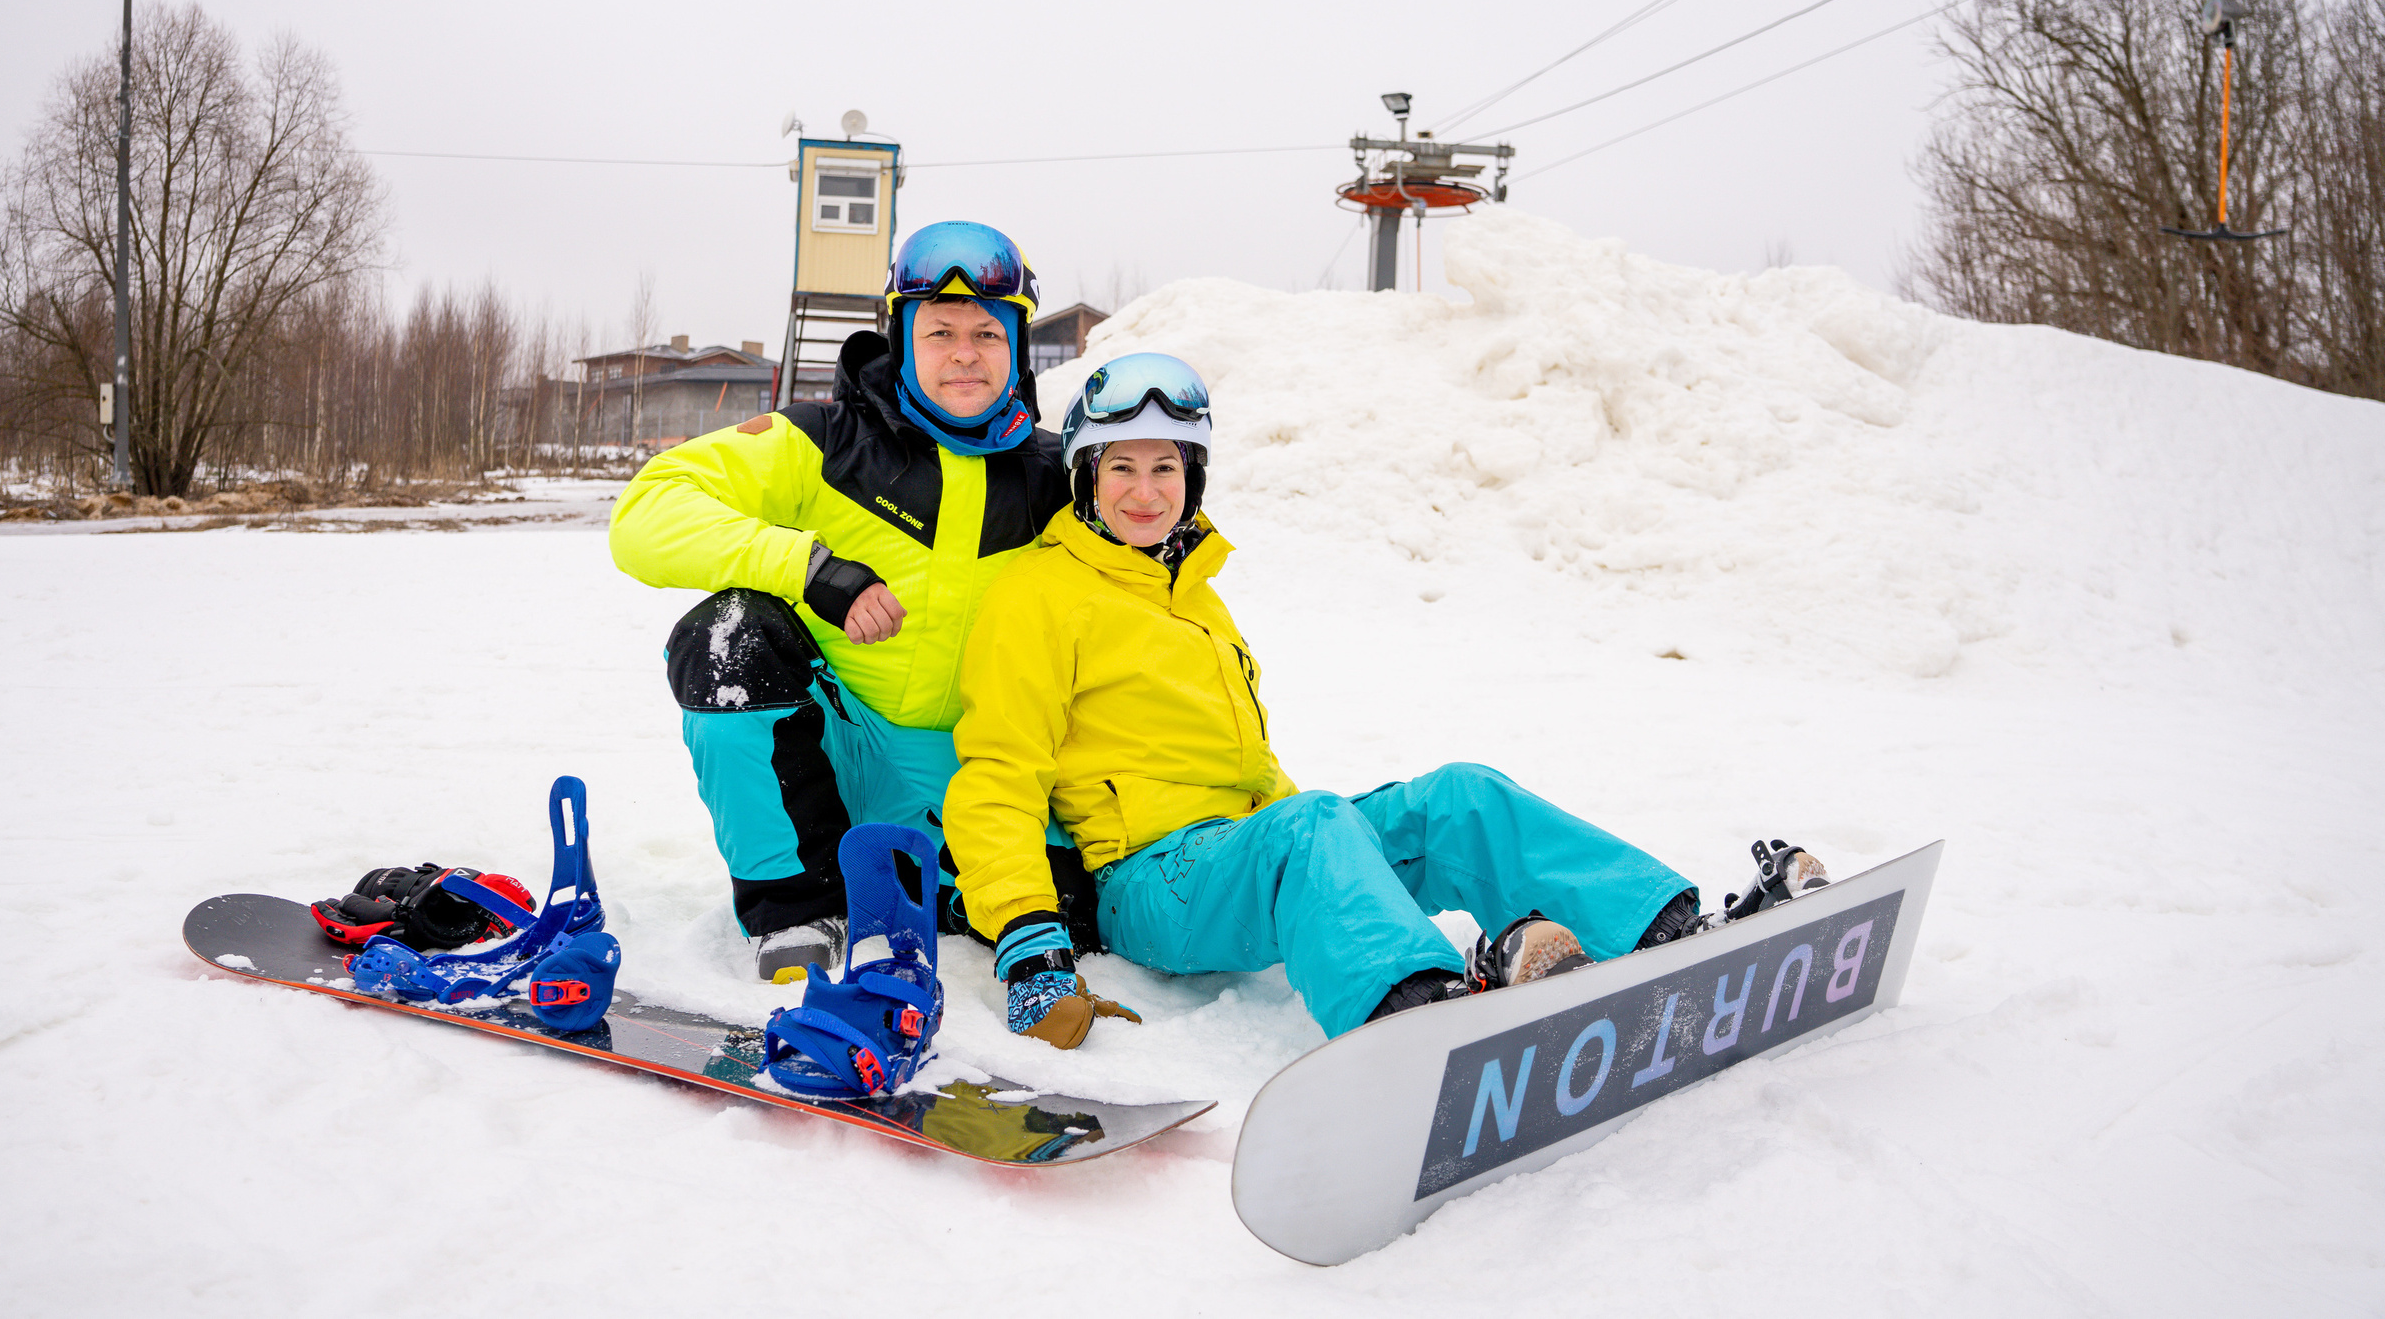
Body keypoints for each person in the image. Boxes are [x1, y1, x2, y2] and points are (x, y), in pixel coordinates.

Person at [944, 352, 1825, 1048]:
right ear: (1085, 476)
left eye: (1165, 466)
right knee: (1312, 823)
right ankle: (1416, 1012)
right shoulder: (1039, 593)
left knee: (1460, 797)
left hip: (1248, 850)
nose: (1145, 491)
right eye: (1122, 467)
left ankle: (1663, 932)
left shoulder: (1194, 597)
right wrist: (1028, 939)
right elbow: (996, 774)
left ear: (1193, 477)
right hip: (1149, 882)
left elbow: (1249, 769)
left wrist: (1330, 854)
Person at [610, 222, 1075, 982]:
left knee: (1080, 916)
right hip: (839, 752)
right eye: (940, 332)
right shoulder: (823, 440)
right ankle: (796, 905)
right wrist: (810, 568)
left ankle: (931, 881)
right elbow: (647, 511)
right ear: (901, 338)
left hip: (981, 788)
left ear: (1018, 346)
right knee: (728, 636)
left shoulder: (1061, 478)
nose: (964, 353)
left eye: (988, 333)